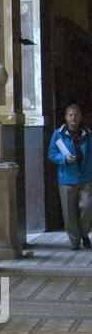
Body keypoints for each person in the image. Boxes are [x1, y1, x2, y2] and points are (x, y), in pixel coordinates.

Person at [47, 102, 92, 250]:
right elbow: (52, 153)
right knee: (69, 211)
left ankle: (84, 233)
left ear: (80, 117)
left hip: (86, 177)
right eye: (71, 115)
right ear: (66, 117)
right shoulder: (58, 134)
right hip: (67, 178)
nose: (74, 118)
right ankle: (74, 239)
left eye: (76, 115)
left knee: (86, 207)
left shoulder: (88, 134)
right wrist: (64, 160)